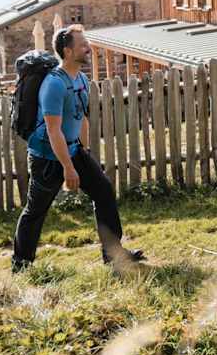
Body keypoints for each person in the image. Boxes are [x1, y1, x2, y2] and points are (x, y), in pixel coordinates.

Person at [11, 25, 145, 272]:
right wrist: (68, 168)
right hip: (47, 158)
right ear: (68, 51)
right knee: (36, 210)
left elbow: (81, 117)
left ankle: (113, 254)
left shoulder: (81, 79)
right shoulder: (53, 85)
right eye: (83, 44)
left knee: (103, 191)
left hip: (73, 151)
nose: (88, 48)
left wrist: (84, 152)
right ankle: (21, 264)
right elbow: (53, 130)